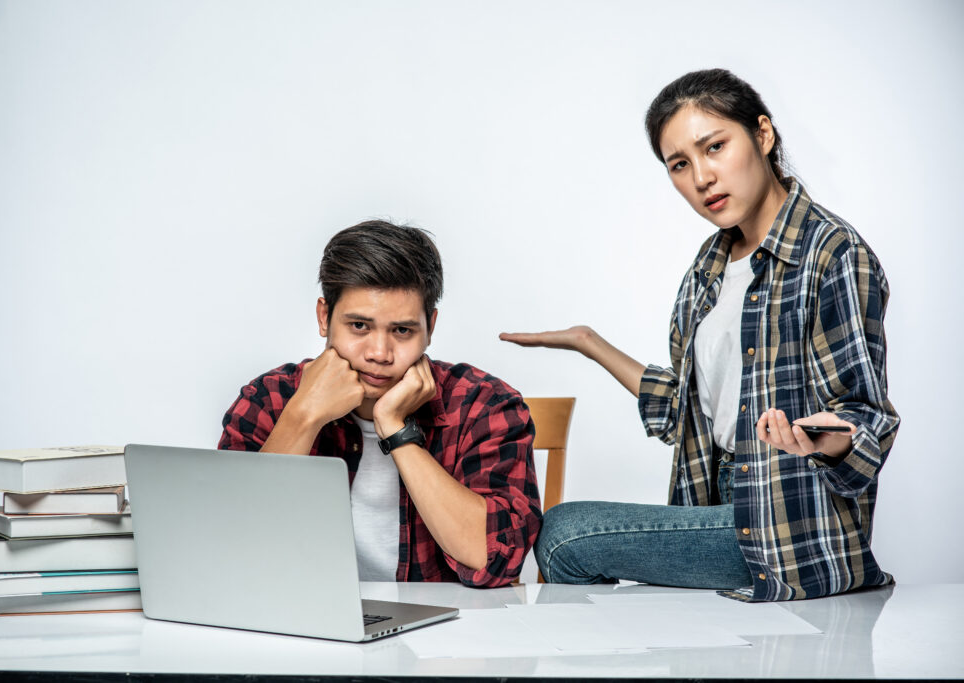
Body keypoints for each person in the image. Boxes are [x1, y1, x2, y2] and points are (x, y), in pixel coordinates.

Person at [501, 68, 899, 601]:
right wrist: (589, 343)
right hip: (720, 506)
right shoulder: (708, 269)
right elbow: (687, 409)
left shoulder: (831, 254)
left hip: (787, 527)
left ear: (762, 134)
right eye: (680, 165)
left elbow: (867, 418)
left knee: (565, 535)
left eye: (715, 147)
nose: (702, 178)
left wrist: (827, 438)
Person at [219, 220, 541, 588]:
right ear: (325, 317)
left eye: (402, 330)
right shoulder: (270, 399)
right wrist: (304, 415)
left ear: (430, 327)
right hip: (301, 627)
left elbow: (496, 560)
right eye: (359, 326)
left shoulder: (484, 405)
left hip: (446, 634)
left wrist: (398, 430)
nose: (379, 353)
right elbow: (229, 546)